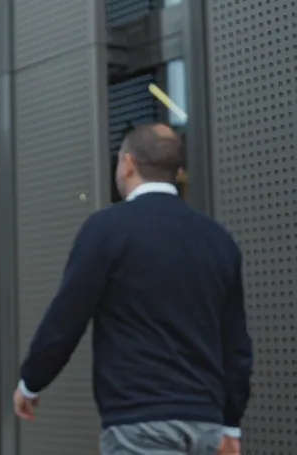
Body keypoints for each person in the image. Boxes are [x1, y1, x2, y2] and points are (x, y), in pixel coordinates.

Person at [13, 124, 253, 455]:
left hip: (140, 423)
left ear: (128, 163)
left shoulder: (107, 230)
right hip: (206, 426)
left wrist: (31, 382)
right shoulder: (218, 240)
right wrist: (230, 424)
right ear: (176, 170)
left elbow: (66, 318)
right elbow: (237, 346)